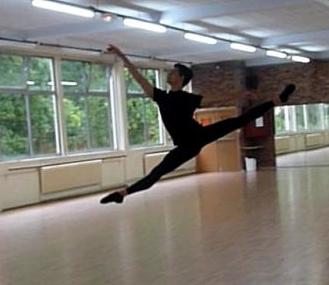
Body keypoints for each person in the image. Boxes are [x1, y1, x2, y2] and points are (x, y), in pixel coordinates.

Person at [100, 44, 295, 204]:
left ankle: (276, 101)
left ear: (180, 78)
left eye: (173, 72)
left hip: (199, 135)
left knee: (237, 121)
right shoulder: (161, 96)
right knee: (157, 173)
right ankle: (122, 194)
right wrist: (122, 56)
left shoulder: (189, 98)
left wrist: (239, 94)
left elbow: (216, 99)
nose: (170, 74)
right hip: (185, 147)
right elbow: (139, 78)